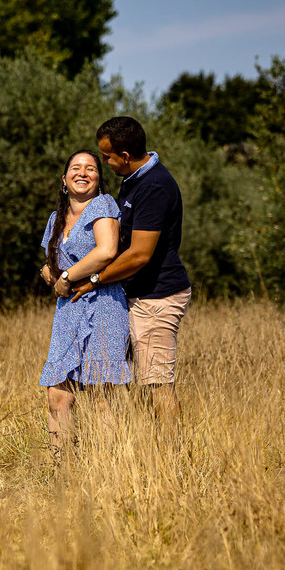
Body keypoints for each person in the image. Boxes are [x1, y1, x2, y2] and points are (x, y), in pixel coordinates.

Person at [66, 116, 191, 443]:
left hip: (157, 297)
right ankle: (119, 449)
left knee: (156, 384)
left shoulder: (154, 186)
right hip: (134, 294)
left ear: (124, 155)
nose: (104, 163)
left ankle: (172, 459)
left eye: (106, 157)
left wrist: (95, 279)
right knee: (107, 378)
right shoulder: (133, 179)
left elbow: (139, 255)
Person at [39, 149, 132, 458]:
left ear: (99, 179)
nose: (82, 173)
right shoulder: (56, 218)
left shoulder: (103, 205)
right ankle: (62, 468)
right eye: (75, 168)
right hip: (68, 312)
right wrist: (50, 273)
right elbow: (53, 262)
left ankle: (106, 469)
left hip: (103, 305)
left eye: (90, 168)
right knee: (57, 394)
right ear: (64, 180)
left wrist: (66, 276)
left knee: (100, 394)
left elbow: (106, 251)